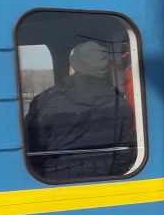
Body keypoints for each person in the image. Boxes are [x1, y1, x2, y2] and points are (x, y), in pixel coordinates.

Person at [24, 40, 136, 181]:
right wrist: (107, 175)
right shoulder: (120, 104)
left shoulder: (45, 102)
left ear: (74, 68)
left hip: (51, 183)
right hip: (104, 181)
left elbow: (30, 148)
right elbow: (126, 153)